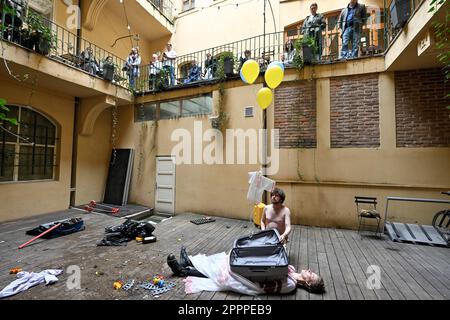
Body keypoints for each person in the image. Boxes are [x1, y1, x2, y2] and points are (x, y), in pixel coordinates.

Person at [167, 247, 325, 295]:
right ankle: (187, 265)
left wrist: (245, 272)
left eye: (311, 274)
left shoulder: (290, 284)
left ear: (308, 283)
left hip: (250, 280)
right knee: (221, 262)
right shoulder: (291, 270)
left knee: (220, 273)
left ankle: (184, 269)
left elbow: (265, 285)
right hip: (252, 271)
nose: (310, 270)